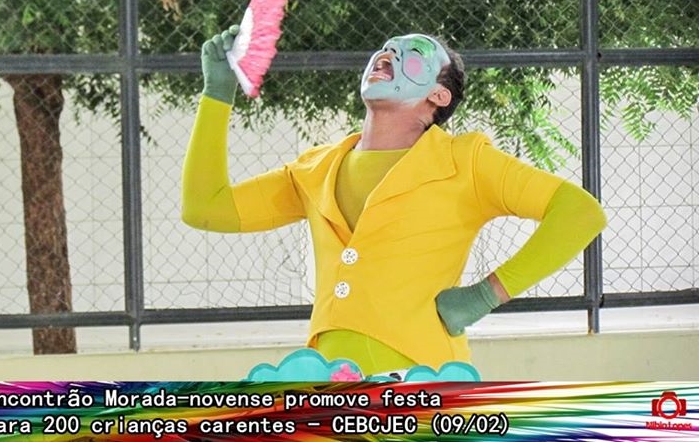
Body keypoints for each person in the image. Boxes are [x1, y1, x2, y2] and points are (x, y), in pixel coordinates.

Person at [181, 26, 607, 379]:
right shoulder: (314, 170)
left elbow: (580, 211)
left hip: (422, 382)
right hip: (327, 384)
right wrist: (216, 94)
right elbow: (206, 207)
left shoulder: (466, 162)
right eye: (385, 47)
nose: (388, 53)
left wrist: (485, 295)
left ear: (438, 96)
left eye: (413, 52)